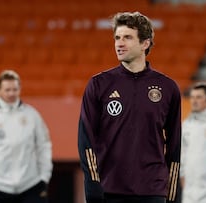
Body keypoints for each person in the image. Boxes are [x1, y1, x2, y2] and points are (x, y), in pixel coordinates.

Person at [77, 11, 181, 203]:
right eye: (117, 37)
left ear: (145, 43)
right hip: (109, 190)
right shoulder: (99, 84)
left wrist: (172, 193)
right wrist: (92, 184)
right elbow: (86, 140)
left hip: (152, 190)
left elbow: (174, 146)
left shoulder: (168, 88)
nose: (119, 43)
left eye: (127, 37)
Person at [0, 70, 53, 203]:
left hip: (31, 186)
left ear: (19, 89)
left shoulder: (32, 115)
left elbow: (44, 146)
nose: (11, 93)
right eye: (7, 89)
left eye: (14, 89)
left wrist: (44, 176)